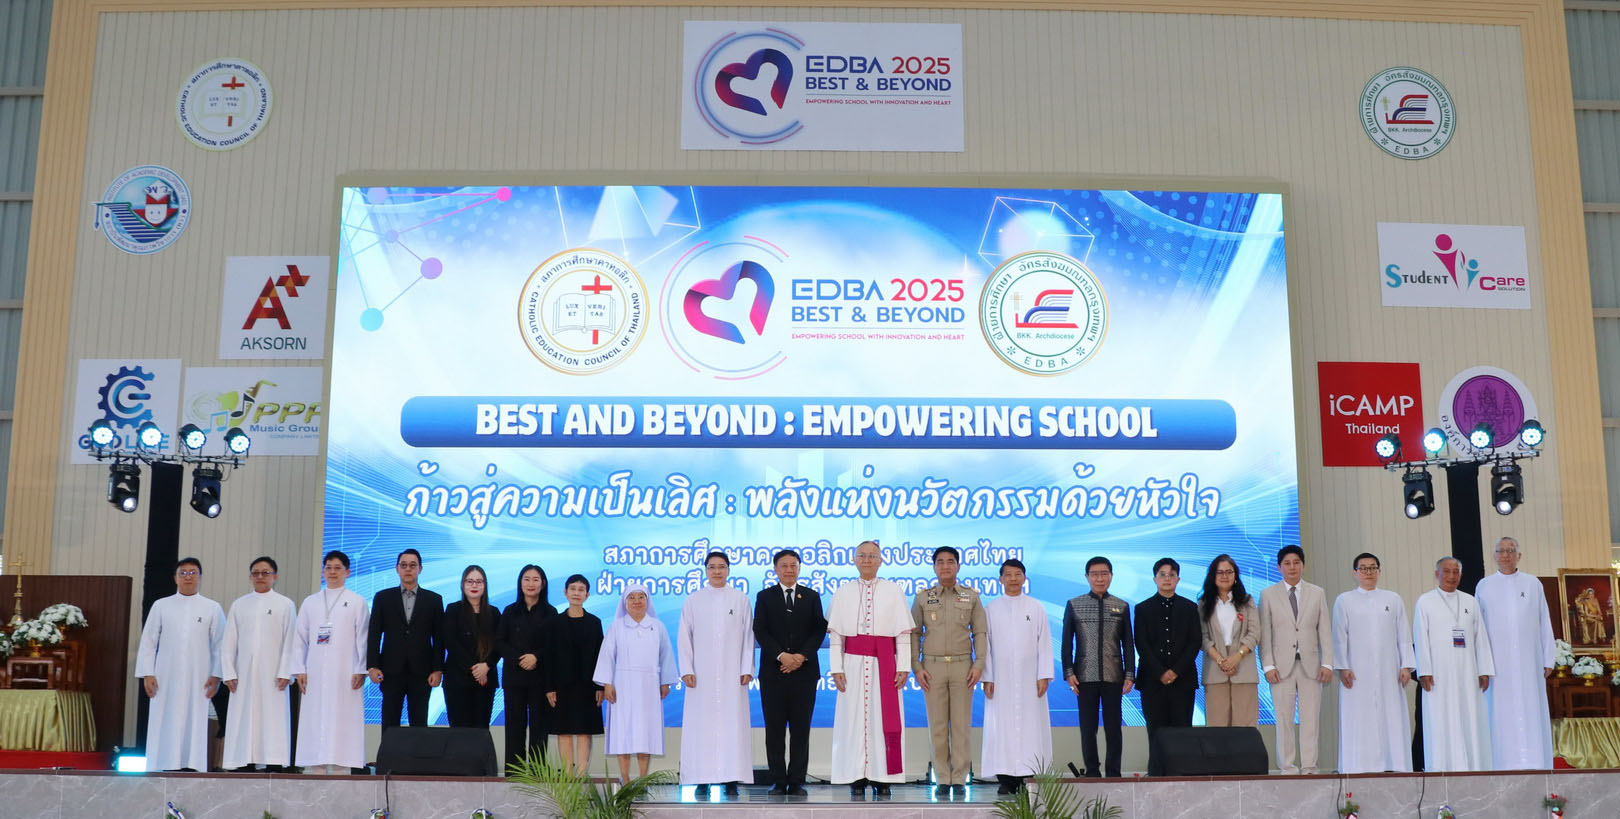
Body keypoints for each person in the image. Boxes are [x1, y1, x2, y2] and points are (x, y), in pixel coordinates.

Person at [827, 540, 913, 798]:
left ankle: (883, 776)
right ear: (854, 559)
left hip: (885, 664)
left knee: (882, 719)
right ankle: (854, 775)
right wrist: (836, 667)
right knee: (851, 720)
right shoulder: (843, 592)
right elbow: (836, 636)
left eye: (872, 556)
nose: (867, 560)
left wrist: (904, 665)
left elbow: (902, 634)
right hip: (852, 664)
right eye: (862, 555)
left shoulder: (893, 591)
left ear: (881, 560)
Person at [135, 557, 226, 772]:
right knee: (165, 718)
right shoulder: (161, 605)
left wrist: (216, 675)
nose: (188, 577)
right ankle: (161, 764)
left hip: (199, 677)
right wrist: (148, 673)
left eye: (193, 573)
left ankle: (192, 764)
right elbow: (149, 641)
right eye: (183, 573)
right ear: (175, 578)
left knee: (195, 719)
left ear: (200, 578)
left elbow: (220, 644)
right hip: (165, 676)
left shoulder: (212, 608)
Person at [911, 545, 988, 798]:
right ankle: (942, 778)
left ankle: (960, 779)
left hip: (963, 666)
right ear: (934, 567)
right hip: (931, 667)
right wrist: (916, 666)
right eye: (941, 562)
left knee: (961, 725)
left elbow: (980, 632)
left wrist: (979, 664)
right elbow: (914, 634)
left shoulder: (971, 596)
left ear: (958, 566)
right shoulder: (923, 597)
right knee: (937, 725)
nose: (945, 566)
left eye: (950, 561)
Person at [678, 551, 755, 797]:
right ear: (706, 570)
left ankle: (731, 778)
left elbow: (748, 636)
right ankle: (701, 778)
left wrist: (747, 668)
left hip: (733, 675)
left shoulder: (740, 599)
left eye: (722, 566)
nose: (717, 571)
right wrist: (686, 669)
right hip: (701, 676)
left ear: (728, 570)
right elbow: (684, 636)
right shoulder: (694, 600)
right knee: (701, 726)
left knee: (733, 725)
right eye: (712, 567)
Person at [1475, 536, 1555, 769]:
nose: (1505, 555)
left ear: (1519, 555)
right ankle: (1501, 764)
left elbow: (1544, 621)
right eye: (1501, 551)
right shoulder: (1484, 586)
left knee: (1531, 709)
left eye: (1510, 551)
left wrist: (1548, 658)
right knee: (1499, 712)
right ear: (1494, 556)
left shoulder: (1532, 584)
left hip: (1529, 661)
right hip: (1497, 665)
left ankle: (1535, 762)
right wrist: (1481, 664)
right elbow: (1478, 629)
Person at [1333, 552, 1416, 774]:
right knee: (1359, 717)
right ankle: (1358, 765)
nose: (1368, 572)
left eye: (1372, 568)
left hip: (1389, 670)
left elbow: (1403, 634)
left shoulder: (1393, 599)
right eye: (1363, 568)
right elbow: (1339, 637)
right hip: (1356, 673)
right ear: (1355, 573)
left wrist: (1406, 666)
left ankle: (1395, 763)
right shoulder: (1344, 600)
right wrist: (1342, 667)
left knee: (1391, 715)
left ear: (1379, 571)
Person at [287, 550, 370, 774]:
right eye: (328, 567)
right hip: (314, 672)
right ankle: (316, 766)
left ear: (347, 572)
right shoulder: (310, 602)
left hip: (346, 672)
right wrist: (299, 669)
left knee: (344, 717)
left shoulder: (357, 601)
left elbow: (363, 638)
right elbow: (299, 638)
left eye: (337, 568)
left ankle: (342, 766)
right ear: (323, 571)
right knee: (316, 716)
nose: (332, 572)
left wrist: (361, 669)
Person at [753, 548, 826, 797]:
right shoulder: (765, 596)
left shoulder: (811, 596)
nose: (789, 570)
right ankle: (778, 780)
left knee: (800, 729)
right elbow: (760, 630)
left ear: (799, 568)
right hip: (773, 673)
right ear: (775, 569)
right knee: (774, 729)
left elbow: (819, 630)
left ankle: (796, 780)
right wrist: (782, 655)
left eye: (793, 565)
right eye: (784, 565)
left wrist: (801, 657)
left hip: (804, 673)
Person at [1257, 544, 1334, 775]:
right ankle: (1288, 767)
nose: (1292, 567)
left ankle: (1309, 767)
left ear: (1303, 565)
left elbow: (1325, 631)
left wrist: (1327, 663)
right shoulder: (1268, 594)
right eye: (1287, 563)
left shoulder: (1317, 593)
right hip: (1280, 667)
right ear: (1279, 567)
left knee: (1311, 719)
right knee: (1284, 719)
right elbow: (1265, 634)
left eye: (1296, 563)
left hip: (1311, 666)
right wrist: (1268, 665)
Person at [1414, 556, 1496, 771]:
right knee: (1441, 718)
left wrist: (1484, 670)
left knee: (1470, 716)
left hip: (1468, 671)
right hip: (1438, 674)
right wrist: (1424, 671)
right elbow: (1420, 637)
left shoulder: (1470, 601)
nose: (1451, 576)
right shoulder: (1425, 601)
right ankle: (1442, 766)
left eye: (1455, 572)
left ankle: (1473, 765)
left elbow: (1480, 637)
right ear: (1437, 574)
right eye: (1447, 571)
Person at [980, 559, 1053, 795]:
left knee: (1031, 725)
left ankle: (1027, 776)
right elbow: (985, 646)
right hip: (1000, 680)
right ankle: (1005, 778)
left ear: (1024, 578)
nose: (1013, 579)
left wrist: (1044, 674)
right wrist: (987, 677)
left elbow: (1045, 643)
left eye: (1017, 574)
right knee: (1001, 726)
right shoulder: (991, 609)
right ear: (1001, 579)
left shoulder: (1036, 607)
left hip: (1031, 678)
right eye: (1008, 575)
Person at [593, 583, 677, 783]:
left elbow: (665, 654)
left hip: (649, 686)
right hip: (622, 686)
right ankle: (625, 778)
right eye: (632, 597)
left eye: (641, 597)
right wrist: (607, 684)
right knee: (623, 731)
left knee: (645, 732)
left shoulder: (657, 626)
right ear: (625, 602)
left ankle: (642, 779)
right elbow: (607, 655)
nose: (637, 601)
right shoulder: (617, 626)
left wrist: (665, 682)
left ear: (647, 601)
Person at [220, 556, 296, 771]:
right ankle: (245, 761)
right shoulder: (240, 604)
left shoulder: (285, 604)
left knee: (273, 718)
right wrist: (229, 672)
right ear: (250, 577)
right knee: (244, 718)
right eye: (256, 573)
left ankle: (273, 762)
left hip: (274, 675)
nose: (260, 577)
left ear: (275, 576)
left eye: (265, 573)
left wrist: (286, 671)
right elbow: (229, 642)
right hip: (243, 675)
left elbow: (291, 641)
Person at [1061, 556, 1134, 778]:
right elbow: (1066, 642)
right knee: (1088, 728)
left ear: (1111, 576)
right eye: (1094, 574)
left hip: (1114, 675)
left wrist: (1130, 674)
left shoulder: (1121, 606)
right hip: (1084, 675)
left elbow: (1128, 643)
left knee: (1114, 728)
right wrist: (1069, 672)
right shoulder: (1075, 604)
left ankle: (1114, 772)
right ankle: (1092, 772)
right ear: (1087, 577)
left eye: (1104, 574)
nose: (1099, 578)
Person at [1133, 557, 1200, 776]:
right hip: (1152, 681)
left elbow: (1195, 642)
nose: (1167, 579)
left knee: (1182, 730)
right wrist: (1161, 672)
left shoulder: (1190, 608)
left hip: (1183, 680)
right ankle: (1156, 774)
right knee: (1156, 731)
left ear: (1178, 579)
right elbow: (1141, 643)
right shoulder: (1142, 608)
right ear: (1155, 579)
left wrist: (1176, 671)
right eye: (1162, 575)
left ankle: (1182, 773)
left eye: (1171, 575)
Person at [366, 548, 444, 731]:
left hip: (422, 672)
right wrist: (372, 665)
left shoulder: (433, 600)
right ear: (397, 568)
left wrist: (438, 669)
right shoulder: (383, 598)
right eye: (404, 565)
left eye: (413, 565)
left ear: (420, 569)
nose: (408, 569)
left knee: (419, 724)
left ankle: (418, 752)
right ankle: (388, 752)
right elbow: (374, 634)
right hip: (391, 670)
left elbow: (439, 638)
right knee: (389, 722)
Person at [544, 574, 605, 775]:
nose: (576, 593)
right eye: (573, 589)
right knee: (564, 731)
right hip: (562, 685)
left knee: (585, 731)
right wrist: (549, 687)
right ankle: (568, 775)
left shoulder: (594, 622)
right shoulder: (554, 623)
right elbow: (549, 657)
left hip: (588, 685)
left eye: (581, 590)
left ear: (587, 595)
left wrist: (600, 686)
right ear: (565, 592)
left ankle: (581, 774)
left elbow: (600, 656)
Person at [499, 563, 555, 772]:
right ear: (520, 583)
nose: (531, 584)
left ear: (543, 584)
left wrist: (536, 657)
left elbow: (553, 645)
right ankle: (514, 772)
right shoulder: (510, 611)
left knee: (539, 727)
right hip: (514, 677)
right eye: (526, 579)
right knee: (514, 725)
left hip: (540, 678)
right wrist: (519, 659)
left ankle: (537, 772)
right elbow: (500, 642)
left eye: (535, 579)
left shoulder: (551, 612)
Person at [1199, 554, 1260, 727]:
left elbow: (1255, 633)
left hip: (1244, 668)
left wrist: (1236, 657)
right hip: (1215, 670)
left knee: (1245, 728)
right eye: (1219, 572)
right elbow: (1202, 637)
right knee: (1217, 728)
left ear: (1235, 576)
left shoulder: (1247, 601)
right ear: (1212, 576)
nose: (1224, 576)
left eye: (1229, 572)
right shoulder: (1204, 603)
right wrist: (1221, 660)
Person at [441, 564, 501, 728]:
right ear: (463, 584)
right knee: (459, 732)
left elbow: (499, 644)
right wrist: (474, 668)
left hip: (485, 680)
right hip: (458, 679)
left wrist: (486, 666)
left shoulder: (494, 613)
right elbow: (450, 642)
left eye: (479, 582)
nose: (474, 585)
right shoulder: (453, 610)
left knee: (481, 731)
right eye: (470, 581)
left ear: (485, 585)